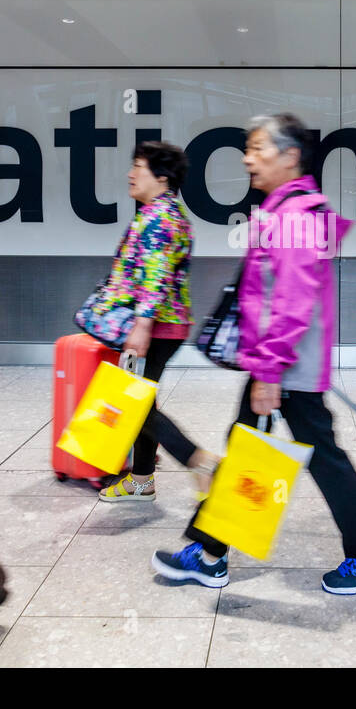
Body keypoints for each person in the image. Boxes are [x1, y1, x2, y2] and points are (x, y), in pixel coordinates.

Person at [150, 113, 356, 595]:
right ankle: (209, 553)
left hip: (288, 369)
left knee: (321, 457)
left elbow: (291, 303)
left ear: (290, 156)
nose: (247, 158)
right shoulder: (284, 210)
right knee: (249, 450)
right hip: (280, 364)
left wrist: (270, 372)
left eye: (258, 148)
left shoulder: (295, 217)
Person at [93, 141, 218, 503]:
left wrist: (142, 325)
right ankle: (142, 478)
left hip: (155, 325)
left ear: (161, 176)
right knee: (140, 400)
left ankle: (198, 460)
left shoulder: (160, 217)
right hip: (161, 323)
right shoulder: (163, 212)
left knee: (131, 402)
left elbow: (156, 275)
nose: (130, 174)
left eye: (138, 167)